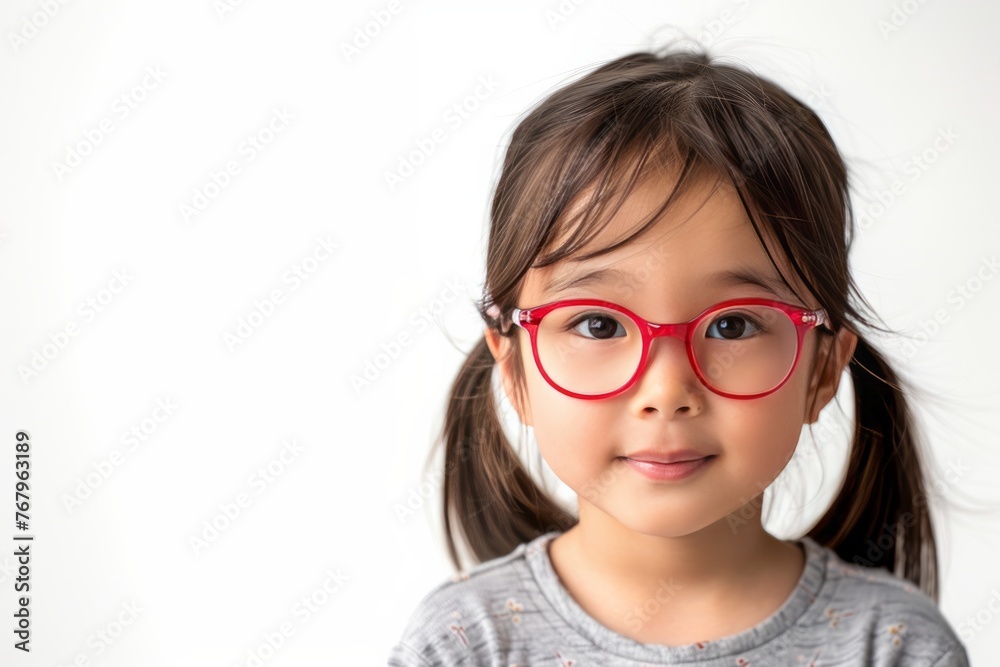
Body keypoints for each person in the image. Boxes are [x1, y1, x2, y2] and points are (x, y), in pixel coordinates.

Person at [388, 44, 970, 666]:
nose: (668, 389)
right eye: (598, 323)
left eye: (734, 325)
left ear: (823, 368)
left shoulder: (893, 646)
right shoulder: (465, 643)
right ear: (515, 368)